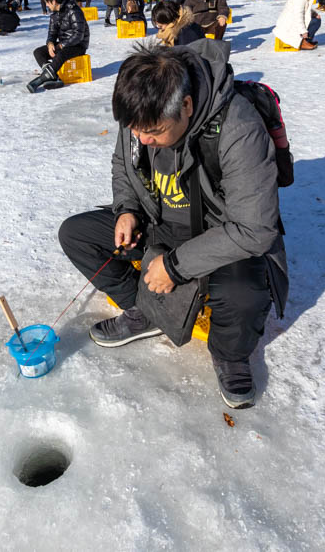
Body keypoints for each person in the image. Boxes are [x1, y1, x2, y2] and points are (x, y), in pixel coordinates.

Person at [57, 42, 289, 409]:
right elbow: (123, 164)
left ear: (186, 105)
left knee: (244, 294)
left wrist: (176, 267)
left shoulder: (238, 127)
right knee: (77, 235)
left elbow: (254, 230)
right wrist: (127, 210)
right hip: (159, 220)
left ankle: (231, 355)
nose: (143, 139)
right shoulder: (141, 117)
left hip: (221, 232)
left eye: (153, 131)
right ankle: (146, 310)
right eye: (135, 131)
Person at [27, 0, 90, 93]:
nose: (46, 5)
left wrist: (61, 45)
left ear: (54, 1)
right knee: (38, 52)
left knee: (60, 55)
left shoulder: (74, 11)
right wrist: (50, 43)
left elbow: (79, 35)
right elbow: (52, 33)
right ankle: (53, 77)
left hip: (78, 45)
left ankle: (41, 80)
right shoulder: (54, 15)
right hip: (63, 44)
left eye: (47, 2)